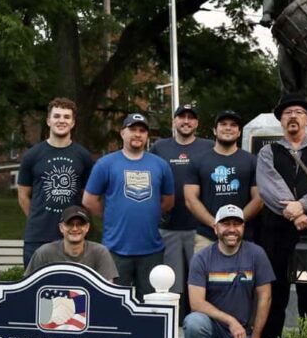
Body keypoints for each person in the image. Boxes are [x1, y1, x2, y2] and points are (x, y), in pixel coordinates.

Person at [255, 93, 307, 338]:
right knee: (275, 294)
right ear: (281, 120)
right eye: (287, 112)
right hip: (275, 234)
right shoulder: (268, 152)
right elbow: (269, 187)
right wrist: (294, 214)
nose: (292, 116)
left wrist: (300, 207)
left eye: (299, 112)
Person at [82, 113, 174, 301]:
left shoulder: (160, 165)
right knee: (113, 305)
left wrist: (152, 214)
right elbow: (89, 200)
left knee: (151, 307)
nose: (137, 134)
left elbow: (168, 201)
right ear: (122, 133)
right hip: (116, 249)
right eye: (132, 129)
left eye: (142, 130)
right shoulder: (105, 164)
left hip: (151, 249)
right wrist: (109, 217)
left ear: (147, 136)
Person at [183, 205, 274, 338]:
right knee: (194, 322)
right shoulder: (201, 258)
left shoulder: (256, 254)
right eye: (226, 224)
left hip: (242, 333)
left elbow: (265, 297)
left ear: (243, 228)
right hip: (212, 328)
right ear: (215, 228)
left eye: (236, 224)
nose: (232, 229)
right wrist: (230, 320)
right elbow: (196, 303)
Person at [149, 104, 215, 307]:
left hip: (200, 227)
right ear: (174, 121)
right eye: (182, 117)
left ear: (197, 123)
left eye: (191, 118)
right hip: (169, 227)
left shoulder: (208, 146)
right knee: (172, 284)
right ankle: (174, 328)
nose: (186, 121)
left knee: (200, 281)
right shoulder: (160, 147)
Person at [17, 97, 93, 266]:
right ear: (48, 121)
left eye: (66, 117)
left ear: (73, 123)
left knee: (74, 289)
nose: (61, 121)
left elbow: (88, 197)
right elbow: (23, 195)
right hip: (38, 236)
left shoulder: (83, 156)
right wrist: (37, 218)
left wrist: (79, 226)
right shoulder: (32, 155)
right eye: (57, 116)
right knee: (36, 288)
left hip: (74, 236)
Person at [185, 110, 262, 252]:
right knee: (204, 274)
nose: (228, 128)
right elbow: (190, 199)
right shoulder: (197, 161)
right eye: (223, 124)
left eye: (233, 125)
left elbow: (259, 198)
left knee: (243, 275)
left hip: (243, 237)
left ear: (239, 132)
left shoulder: (253, 161)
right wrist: (215, 224)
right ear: (215, 130)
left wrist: (234, 224)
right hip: (207, 237)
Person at [25, 205, 118, 282]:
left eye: (80, 224)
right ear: (61, 227)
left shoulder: (100, 252)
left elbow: (108, 289)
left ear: (87, 227)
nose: (75, 228)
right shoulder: (44, 253)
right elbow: (29, 286)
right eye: (69, 224)